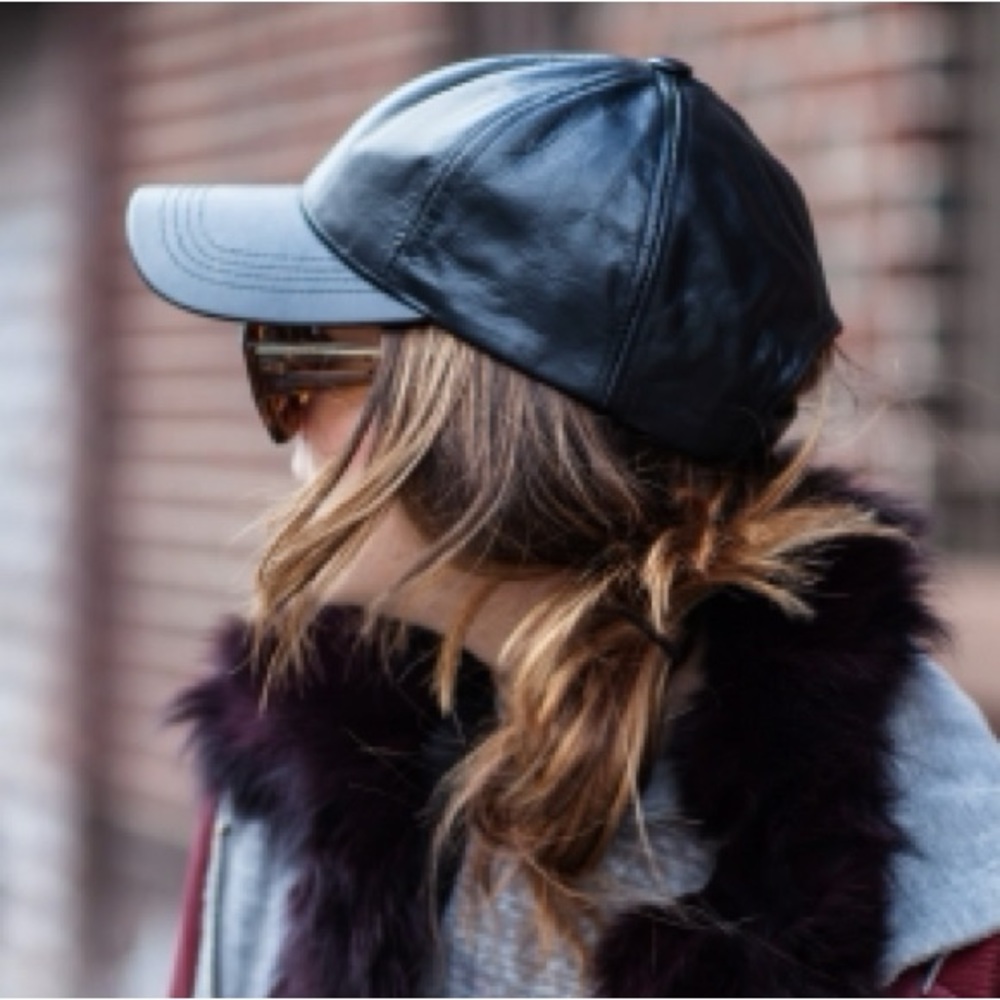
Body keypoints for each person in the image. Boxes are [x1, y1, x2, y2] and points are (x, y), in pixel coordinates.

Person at [126, 53, 1000, 997]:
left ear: (484, 426)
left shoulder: (950, 928)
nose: (284, 422)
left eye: (301, 355)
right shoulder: (291, 764)